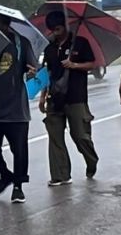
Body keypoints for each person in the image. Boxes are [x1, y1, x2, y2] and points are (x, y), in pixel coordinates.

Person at [0, 9, 39, 204]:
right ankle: (5, 174)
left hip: (16, 109)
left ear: (4, 24)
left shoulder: (21, 43)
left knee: (19, 150)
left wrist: (31, 72)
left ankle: (18, 186)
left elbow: (33, 68)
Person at [38, 10, 100, 186]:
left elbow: (92, 64)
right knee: (55, 137)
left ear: (64, 26)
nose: (55, 32)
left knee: (80, 135)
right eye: (52, 30)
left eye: (58, 28)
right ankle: (60, 175)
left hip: (76, 97)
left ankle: (91, 159)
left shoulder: (80, 43)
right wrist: (43, 97)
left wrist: (74, 65)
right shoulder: (49, 48)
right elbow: (47, 73)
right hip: (55, 98)